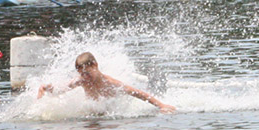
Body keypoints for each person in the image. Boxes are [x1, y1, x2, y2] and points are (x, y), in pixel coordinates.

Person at [37, 51, 175, 113]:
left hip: (110, 112)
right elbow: (61, 89)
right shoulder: (81, 81)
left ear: (95, 65)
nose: (85, 77)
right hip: (95, 113)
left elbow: (137, 93)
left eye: (87, 73)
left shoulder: (110, 82)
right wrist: (46, 89)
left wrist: (161, 105)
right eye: (82, 74)